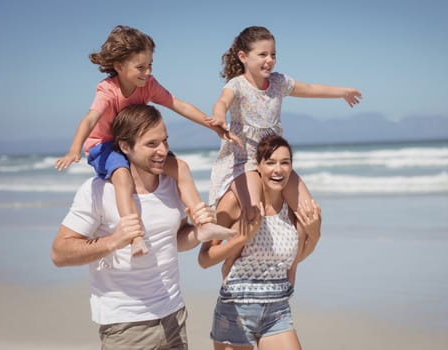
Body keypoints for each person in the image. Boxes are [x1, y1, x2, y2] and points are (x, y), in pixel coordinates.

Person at [52, 104, 223, 349]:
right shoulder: (98, 191)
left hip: (174, 316)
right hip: (126, 326)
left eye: (165, 141)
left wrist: (197, 233)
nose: (163, 151)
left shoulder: (171, 184)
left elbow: (173, 240)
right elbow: (59, 252)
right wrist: (114, 240)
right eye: (151, 144)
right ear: (125, 146)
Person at [55, 25, 235, 256]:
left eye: (150, 65)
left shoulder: (148, 85)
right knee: (121, 175)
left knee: (180, 166)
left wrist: (213, 125)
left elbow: (178, 104)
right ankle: (135, 236)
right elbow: (90, 119)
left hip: (132, 141)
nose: (148, 72)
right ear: (119, 66)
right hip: (104, 143)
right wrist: (74, 149)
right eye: (141, 67)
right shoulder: (107, 90)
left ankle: (203, 222)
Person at [208, 25, 361, 227]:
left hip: (274, 157)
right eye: (262, 54)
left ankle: (293, 259)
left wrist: (343, 92)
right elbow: (222, 102)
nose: (269, 60)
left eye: (273, 54)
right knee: (254, 213)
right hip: (244, 160)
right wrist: (219, 116)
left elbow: (310, 88)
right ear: (243, 57)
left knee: (311, 214)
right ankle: (236, 256)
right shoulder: (237, 85)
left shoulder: (278, 82)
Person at [199, 134, 322, 349]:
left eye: (285, 163)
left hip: (277, 311)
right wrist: (242, 238)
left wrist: (315, 233)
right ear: (258, 166)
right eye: (271, 162)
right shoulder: (235, 203)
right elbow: (205, 259)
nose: (278, 169)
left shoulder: (291, 211)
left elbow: (295, 258)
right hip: (236, 311)